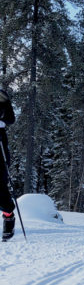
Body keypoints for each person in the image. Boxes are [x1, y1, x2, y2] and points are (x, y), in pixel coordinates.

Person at [0, 89, 15, 241]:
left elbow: (11, 118)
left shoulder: (2, 96)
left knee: (0, 184)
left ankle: (8, 217)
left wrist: (1, 122)